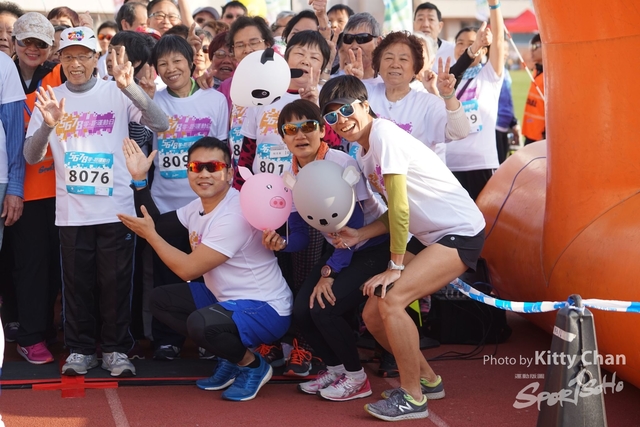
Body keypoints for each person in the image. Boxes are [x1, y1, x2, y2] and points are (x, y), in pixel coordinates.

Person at [319, 75, 485, 421]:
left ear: (365, 105)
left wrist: (394, 266)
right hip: (430, 236)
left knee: (392, 301)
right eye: (332, 116)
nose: (341, 120)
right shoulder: (363, 152)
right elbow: (395, 210)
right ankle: (428, 380)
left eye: (346, 110)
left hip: (459, 231)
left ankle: (412, 397)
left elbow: (399, 206)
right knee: (372, 314)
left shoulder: (384, 135)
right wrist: (359, 234)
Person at [23, 26, 169, 377]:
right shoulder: (50, 96)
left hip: (116, 209)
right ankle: (80, 350)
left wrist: (130, 87)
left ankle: (116, 349)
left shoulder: (116, 91)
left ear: (95, 59)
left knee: (116, 284)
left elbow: (161, 123)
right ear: (59, 59)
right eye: (68, 56)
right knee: (77, 286)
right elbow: (31, 155)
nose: (75, 63)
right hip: (72, 213)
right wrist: (48, 125)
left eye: (83, 56)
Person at [118, 136, 292, 401]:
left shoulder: (234, 214)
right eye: (196, 167)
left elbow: (188, 270)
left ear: (230, 173)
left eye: (214, 167)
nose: (204, 174)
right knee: (161, 300)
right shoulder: (198, 207)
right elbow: (158, 225)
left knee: (201, 323)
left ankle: (253, 366)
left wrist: (150, 235)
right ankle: (232, 357)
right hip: (225, 299)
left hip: (265, 309)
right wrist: (140, 180)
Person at [267, 99, 389, 400]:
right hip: (341, 249)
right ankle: (335, 369)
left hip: (372, 245)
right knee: (300, 310)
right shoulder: (290, 176)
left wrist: (329, 272)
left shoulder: (341, 163)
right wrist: (282, 244)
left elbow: (353, 228)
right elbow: (300, 235)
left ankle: (357, 378)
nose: (300, 134)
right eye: (291, 129)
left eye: (308, 126)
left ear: (322, 130)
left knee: (324, 308)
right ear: (283, 138)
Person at [147, 34, 229, 359]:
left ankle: (210, 335)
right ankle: (167, 339)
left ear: (192, 62)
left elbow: (222, 150)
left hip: (206, 206)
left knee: (209, 274)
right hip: (164, 202)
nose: (171, 68)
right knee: (166, 271)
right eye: (163, 63)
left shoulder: (215, 100)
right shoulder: (152, 101)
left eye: (177, 61)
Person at [9, 12, 64, 365]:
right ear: (13, 42)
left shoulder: (57, 75)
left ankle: (43, 329)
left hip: (59, 190)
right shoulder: (4, 75)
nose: (32, 48)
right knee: (29, 265)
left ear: (50, 48)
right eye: (26, 41)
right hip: (21, 189)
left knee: (53, 266)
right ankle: (28, 336)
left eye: (40, 43)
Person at [367, 31, 470, 164]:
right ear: (378, 64)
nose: (395, 64)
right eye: (388, 58)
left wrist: (449, 96)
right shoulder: (365, 94)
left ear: (415, 69)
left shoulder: (427, 103)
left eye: (403, 59)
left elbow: (460, 132)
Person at [445, 4, 506, 201]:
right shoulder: (447, 78)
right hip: (449, 163)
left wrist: (494, 5)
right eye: (459, 43)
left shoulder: (490, 74)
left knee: (485, 216)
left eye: (471, 43)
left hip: (481, 163)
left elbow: (499, 39)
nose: (464, 47)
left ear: (484, 49)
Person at [340, 13, 383, 84]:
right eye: (348, 38)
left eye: (362, 38)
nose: (354, 46)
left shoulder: (390, 85)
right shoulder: (333, 82)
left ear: (378, 43)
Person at [413, 2, 455, 71]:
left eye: (431, 19)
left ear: (440, 26)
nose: (425, 25)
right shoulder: (406, 50)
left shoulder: (453, 50)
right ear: (414, 25)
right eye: (420, 19)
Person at [522, 33, 545, 145]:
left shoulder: (550, 76)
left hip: (541, 137)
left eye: (535, 46)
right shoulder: (536, 71)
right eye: (531, 46)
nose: (531, 50)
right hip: (530, 133)